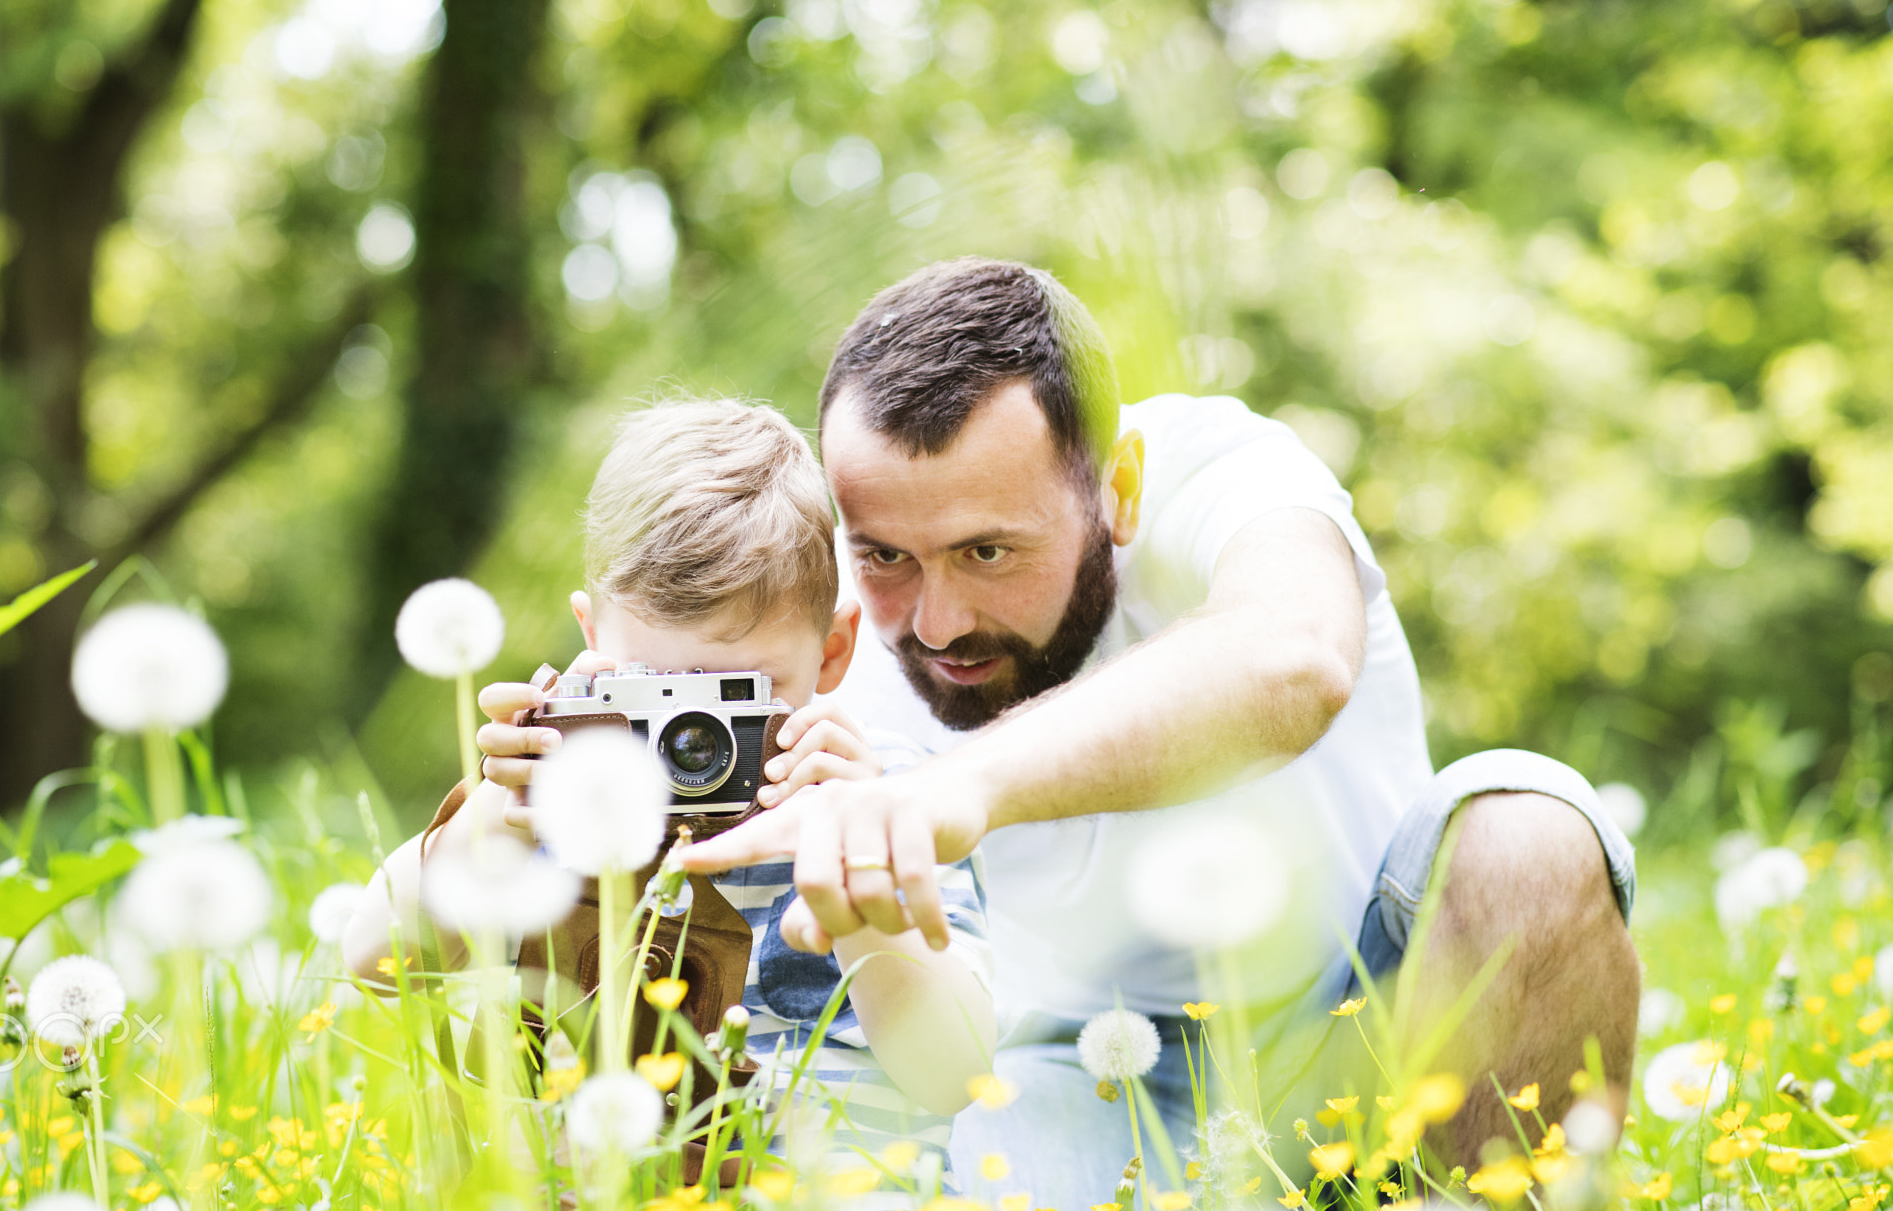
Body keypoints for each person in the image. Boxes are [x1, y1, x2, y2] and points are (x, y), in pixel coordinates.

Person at [672, 259, 1640, 1202]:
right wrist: (545, 786)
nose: (933, 622)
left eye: (987, 550)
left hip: (1372, 1019)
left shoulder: (1216, 468)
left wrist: (956, 790)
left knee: (1528, 834)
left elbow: (1293, 654)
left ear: (1117, 488)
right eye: (882, 554)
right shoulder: (829, 626)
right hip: (1071, 1087)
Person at [345, 398, 995, 1177]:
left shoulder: (889, 790)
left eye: (744, 695)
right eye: (657, 690)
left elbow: (955, 1073)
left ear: (832, 651)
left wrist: (859, 869)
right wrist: (502, 807)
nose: (696, 739)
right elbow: (378, 959)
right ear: (593, 640)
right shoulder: (567, 786)